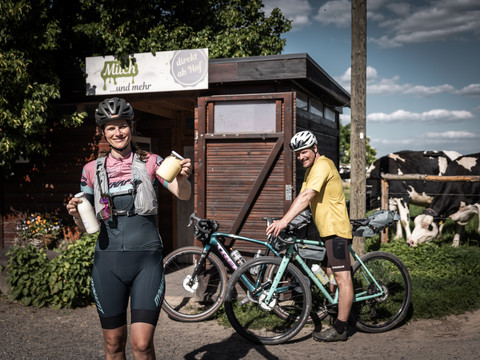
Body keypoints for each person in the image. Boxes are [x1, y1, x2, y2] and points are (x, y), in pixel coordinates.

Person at [66, 97, 192, 359]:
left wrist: (181, 176)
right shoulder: (91, 170)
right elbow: (85, 222)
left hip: (146, 261)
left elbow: (184, 195)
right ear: (103, 132)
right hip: (107, 263)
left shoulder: (152, 162)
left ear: (131, 127)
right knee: (113, 345)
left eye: (122, 126)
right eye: (110, 128)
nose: (117, 132)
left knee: (142, 344)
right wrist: (74, 212)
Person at [266, 130, 353, 342]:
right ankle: (335, 309)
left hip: (336, 231)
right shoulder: (311, 170)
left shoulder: (323, 165)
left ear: (315, 149)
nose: (300, 157)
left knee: (343, 278)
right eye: (297, 154)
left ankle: (341, 329)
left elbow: (307, 196)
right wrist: (287, 219)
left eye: (304, 152)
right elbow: (301, 199)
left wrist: (284, 221)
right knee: (328, 273)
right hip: (325, 231)